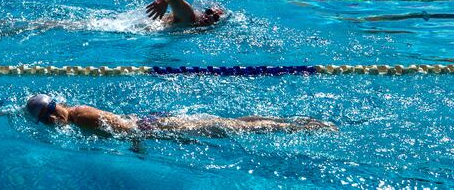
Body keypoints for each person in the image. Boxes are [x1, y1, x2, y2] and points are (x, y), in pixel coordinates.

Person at [24, 94, 336, 138]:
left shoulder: (81, 119)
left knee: (232, 129)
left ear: (50, 117)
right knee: (234, 124)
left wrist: (137, 149)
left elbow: (127, 129)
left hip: (155, 126)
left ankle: (302, 128)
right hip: (154, 121)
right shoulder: (77, 112)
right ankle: (295, 124)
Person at [145, 0, 225, 27]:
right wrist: (164, 0)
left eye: (215, 18)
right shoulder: (188, 15)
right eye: (209, 12)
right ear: (204, 12)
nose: (209, 17)